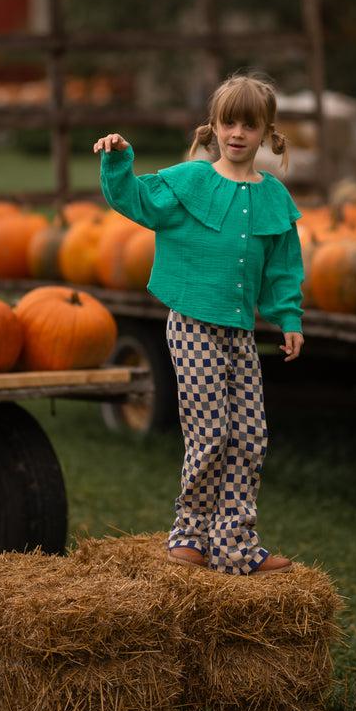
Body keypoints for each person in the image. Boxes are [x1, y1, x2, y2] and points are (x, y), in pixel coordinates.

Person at [93, 72, 305, 576]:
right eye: (228, 123)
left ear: (266, 133)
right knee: (210, 431)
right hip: (192, 327)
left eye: (249, 126)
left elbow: (282, 265)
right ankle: (189, 533)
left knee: (250, 435)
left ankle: (234, 541)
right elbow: (135, 200)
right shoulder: (189, 182)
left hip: (240, 333)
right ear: (212, 127)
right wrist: (118, 159)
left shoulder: (272, 196)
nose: (237, 134)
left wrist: (288, 316)